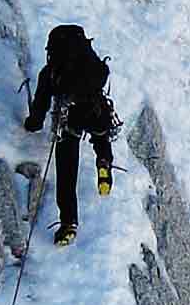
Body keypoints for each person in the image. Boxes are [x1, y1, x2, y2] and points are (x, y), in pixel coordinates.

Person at [24, 24, 120, 247]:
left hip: (70, 119)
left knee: (67, 174)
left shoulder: (50, 73)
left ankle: (69, 223)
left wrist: (32, 124)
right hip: (97, 108)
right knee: (100, 135)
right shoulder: (90, 62)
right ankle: (103, 162)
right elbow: (103, 74)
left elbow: (39, 110)